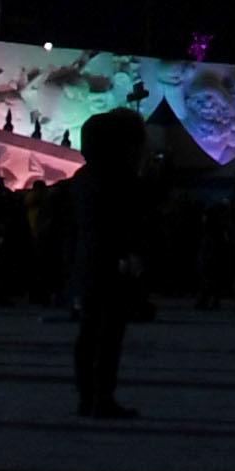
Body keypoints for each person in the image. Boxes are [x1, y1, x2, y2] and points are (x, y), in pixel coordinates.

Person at [69, 107, 147, 420]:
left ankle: (87, 395)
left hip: (87, 260)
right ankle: (102, 396)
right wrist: (131, 254)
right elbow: (126, 222)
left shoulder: (82, 177)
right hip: (112, 261)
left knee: (89, 332)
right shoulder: (121, 178)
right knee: (109, 334)